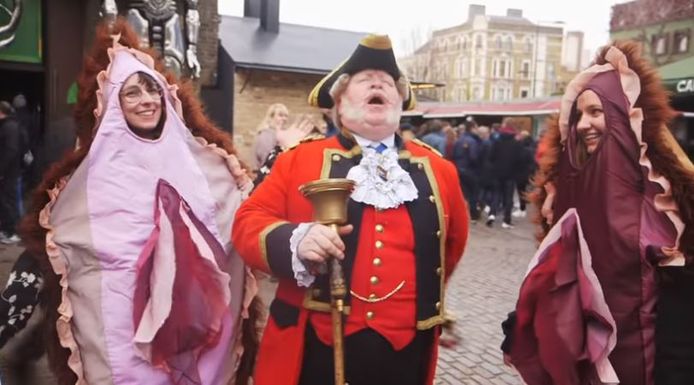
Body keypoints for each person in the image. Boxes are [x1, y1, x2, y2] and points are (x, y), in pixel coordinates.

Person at [15, 19, 259, 385]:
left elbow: (243, 216)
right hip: (121, 330)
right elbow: (62, 242)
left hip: (196, 326)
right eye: (131, 93)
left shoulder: (208, 164)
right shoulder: (87, 178)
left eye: (152, 90)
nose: (146, 100)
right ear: (112, 102)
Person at [232, 34, 469, 385]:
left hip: (405, 351)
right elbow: (247, 224)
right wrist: (295, 242)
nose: (378, 83)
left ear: (399, 100)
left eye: (388, 82)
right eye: (364, 80)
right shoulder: (299, 159)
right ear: (339, 101)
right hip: (313, 344)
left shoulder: (440, 170)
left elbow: (450, 248)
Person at [502, 41, 694, 385]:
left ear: (623, 114)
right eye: (577, 114)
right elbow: (563, 283)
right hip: (584, 368)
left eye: (596, 112)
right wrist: (529, 320)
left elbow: (680, 313)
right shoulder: (565, 191)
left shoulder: (665, 198)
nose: (583, 124)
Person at [486, 118, 523, 229]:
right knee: (508, 198)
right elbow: (519, 160)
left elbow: (490, 157)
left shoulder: (497, 141)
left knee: (496, 195)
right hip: (510, 174)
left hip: (497, 173)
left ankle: (492, 215)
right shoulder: (516, 143)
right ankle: (506, 220)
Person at [0, 101, 22, 244]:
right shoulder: (10, 125)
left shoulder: (9, 127)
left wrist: (1, 169)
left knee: (8, 200)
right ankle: (8, 229)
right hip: (9, 171)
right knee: (7, 200)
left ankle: (11, 231)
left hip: (8, 172)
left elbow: (10, 151)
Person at [253, 103, 289, 169]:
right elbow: (266, 159)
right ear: (271, 117)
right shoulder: (266, 135)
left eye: (286, 116)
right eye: (280, 115)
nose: (284, 119)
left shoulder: (282, 134)